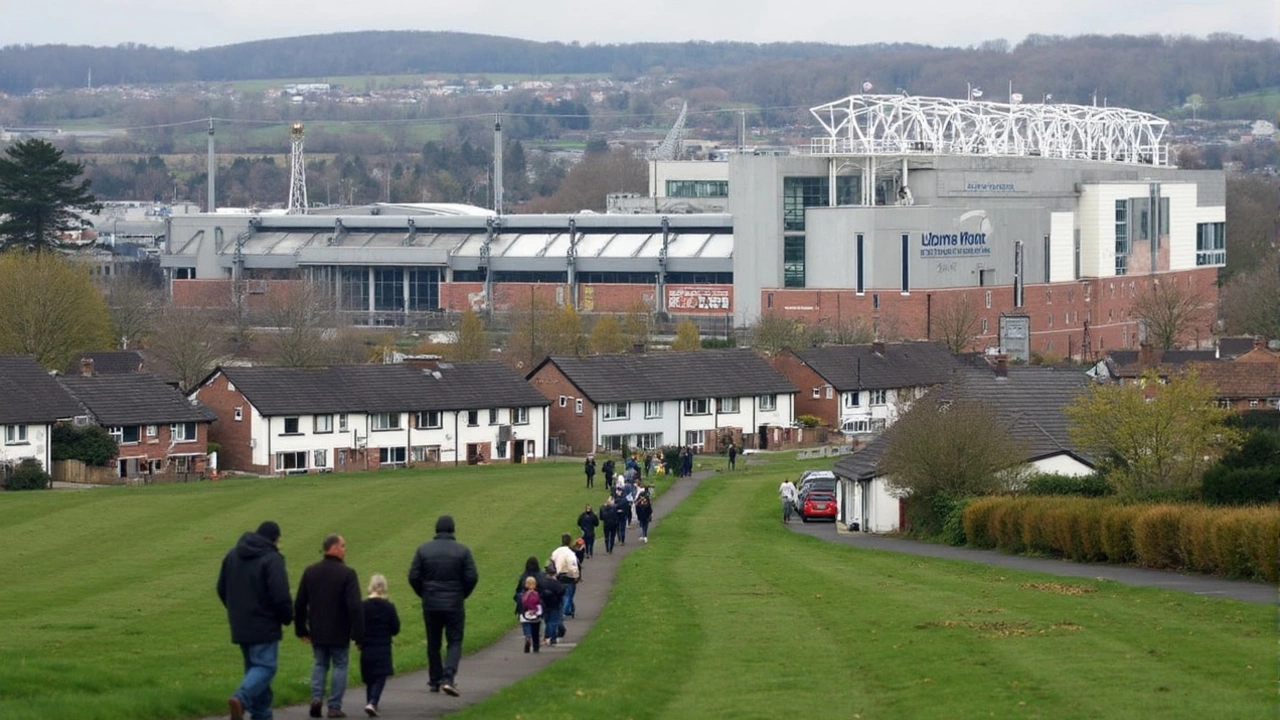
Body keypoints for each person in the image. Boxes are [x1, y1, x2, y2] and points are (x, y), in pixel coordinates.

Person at [217, 521, 294, 720]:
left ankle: (261, 715)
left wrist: (236, 611)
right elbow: (280, 594)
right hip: (264, 624)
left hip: (241, 624)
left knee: (255, 671)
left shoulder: (232, 555)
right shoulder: (272, 558)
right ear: (275, 539)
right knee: (266, 667)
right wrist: (287, 616)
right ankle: (240, 699)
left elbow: (221, 588)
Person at [407, 515, 478, 698]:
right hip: (454, 601)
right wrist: (462, 594)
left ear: (436, 529)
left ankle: (435, 679)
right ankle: (448, 677)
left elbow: (413, 576)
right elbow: (472, 576)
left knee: (433, 643)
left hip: (431, 601)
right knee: (454, 641)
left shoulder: (423, 550)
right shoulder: (462, 551)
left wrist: (424, 593)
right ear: (453, 529)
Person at [295, 534, 365, 719]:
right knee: (340, 665)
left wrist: (301, 628)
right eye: (343, 545)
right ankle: (334, 706)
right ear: (333, 548)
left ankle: (316, 698)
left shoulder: (310, 571)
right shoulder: (347, 574)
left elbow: (300, 602)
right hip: (340, 630)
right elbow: (355, 606)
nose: (345, 549)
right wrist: (359, 635)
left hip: (317, 628)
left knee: (319, 664)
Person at [359, 574, 400, 718]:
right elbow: (395, 628)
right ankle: (373, 701)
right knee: (381, 675)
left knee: (370, 675)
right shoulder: (389, 607)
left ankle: (370, 701)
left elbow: (358, 626)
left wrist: (358, 640)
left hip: (367, 645)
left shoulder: (363, 606)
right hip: (382, 644)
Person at [549, 533, 580, 618]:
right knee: (568, 595)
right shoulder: (570, 553)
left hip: (558, 576)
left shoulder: (556, 552)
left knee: (561, 595)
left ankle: (567, 610)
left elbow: (551, 563)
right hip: (568, 576)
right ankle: (564, 611)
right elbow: (573, 565)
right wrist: (576, 576)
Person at [540, 560, 567, 646]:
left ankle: (550, 637)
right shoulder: (555, 583)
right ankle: (551, 638)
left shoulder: (542, 582)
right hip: (554, 604)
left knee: (547, 621)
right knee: (553, 621)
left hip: (544, 604)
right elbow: (562, 590)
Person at [515, 573, 543, 653]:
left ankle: (527, 637)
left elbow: (519, 604)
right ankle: (536, 646)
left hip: (525, 615)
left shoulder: (521, 595)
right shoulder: (537, 594)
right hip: (535, 615)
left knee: (527, 628)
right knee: (536, 631)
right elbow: (541, 604)